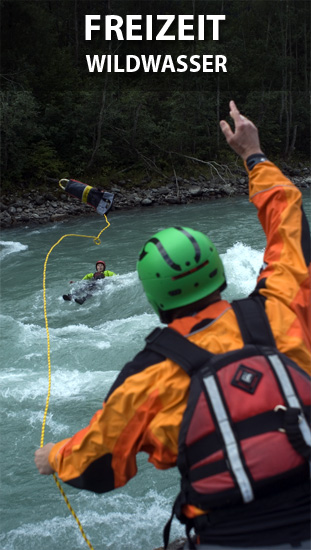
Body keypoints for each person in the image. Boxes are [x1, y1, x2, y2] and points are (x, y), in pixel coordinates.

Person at [35, 101, 310, 549]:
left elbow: (100, 466)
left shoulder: (148, 376)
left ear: (153, 296)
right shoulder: (280, 308)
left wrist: (54, 457)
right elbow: (289, 223)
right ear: (220, 272)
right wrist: (253, 155)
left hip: (231, 538)